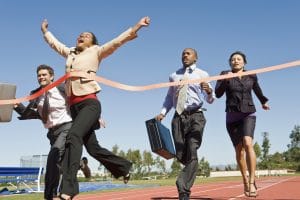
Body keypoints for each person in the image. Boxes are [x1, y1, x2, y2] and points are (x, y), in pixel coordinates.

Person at [41, 16, 150, 199]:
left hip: (89, 103)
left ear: (92, 42)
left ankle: (68, 189)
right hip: (75, 108)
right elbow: (55, 44)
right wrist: (45, 32)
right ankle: (123, 167)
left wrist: (137, 27)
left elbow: (117, 42)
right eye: (80, 34)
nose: (81, 36)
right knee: (92, 148)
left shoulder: (96, 51)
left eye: (87, 35)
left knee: (73, 136)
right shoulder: (70, 53)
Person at [156, 48, 215, 200]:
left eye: (188, 53)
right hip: (178, 117)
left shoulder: (203, 74)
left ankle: (183, 189)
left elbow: (211, 99)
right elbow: (170, 97)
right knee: (182, 154)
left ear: (196, 58)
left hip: (196, 115)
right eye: (183, 53)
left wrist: (209, 91)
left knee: (192, 148)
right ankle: (186, 174)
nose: (185, 55)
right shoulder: (174, 76)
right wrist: (163, 112)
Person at [215, 51, 270, 197]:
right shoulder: (224, 74)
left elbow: (256, 89)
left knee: (248, 142)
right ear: (230, 63)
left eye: (239, 59)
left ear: (244, 62)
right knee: (239, 152)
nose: (235, 61)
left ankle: (252, 182)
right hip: (232, 117)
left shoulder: (251, 74)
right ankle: (245, 179)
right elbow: (218, 94)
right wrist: (226, 79)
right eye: (233, 59)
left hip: (248, 113)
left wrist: (263, 101)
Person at [14, 64, 72, 200]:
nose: (41, 77)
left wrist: (94, 116)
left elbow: (77, 102)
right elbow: (30, 114)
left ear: (51, 76)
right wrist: (16, 105)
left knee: (53, 158)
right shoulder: (35, 94)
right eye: (39, 75)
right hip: (52, 133)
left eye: (44, 74)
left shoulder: (62, 88)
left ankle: (50, 195)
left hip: (66, 127)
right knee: (57, 163)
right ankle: (80, 163)